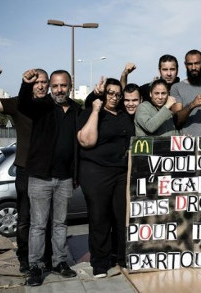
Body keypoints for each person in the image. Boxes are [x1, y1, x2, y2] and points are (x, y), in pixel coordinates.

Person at [0, 66, 52, 274]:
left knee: (47, 217)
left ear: (48, 84)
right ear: (29, 83)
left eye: (43, 81)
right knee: (25, 217)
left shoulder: (52, 104)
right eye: (35, 81)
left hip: (49, 170)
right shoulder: (18, 103)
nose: (40, 85)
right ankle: (24, 257)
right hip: (25, 170)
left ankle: (46, 256)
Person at [18, 69, 80, 286]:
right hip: (40, 177)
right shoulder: (43, 106)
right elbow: (24, 105)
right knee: (38, 225)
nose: (59, 90)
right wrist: (26, 84)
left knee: (61, 224)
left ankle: (59, 262)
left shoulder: (75, 109)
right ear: (50, 88)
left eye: (63, 85)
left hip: (64, 179)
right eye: (55, 86)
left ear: (70, 86)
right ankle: (35, 267)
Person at [77, 78, 134, 278]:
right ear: (103, 93)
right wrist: (95, 110)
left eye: (118, 94)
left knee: (121, 217)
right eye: (110, 93)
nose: (114, 97)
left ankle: (121, 257)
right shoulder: (91, 113)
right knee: (100, 218)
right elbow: (86, 141)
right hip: (96, 172)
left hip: (120, 173)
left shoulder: (124, 116)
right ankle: (100, 263)